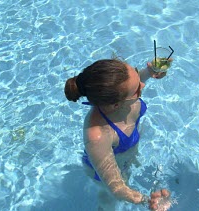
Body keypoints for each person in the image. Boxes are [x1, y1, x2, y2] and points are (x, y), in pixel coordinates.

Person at [64, 58, 172, 210]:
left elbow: (133, 82)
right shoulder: (98, 135)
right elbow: (117, 189)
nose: (143, 84)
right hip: (103, 170)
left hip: (125, 153)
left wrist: (150, 72)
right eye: (137, 89)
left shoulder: (121, 92)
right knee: (108, 199)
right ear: (117, 104)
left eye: (137, 75)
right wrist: (148, 200)